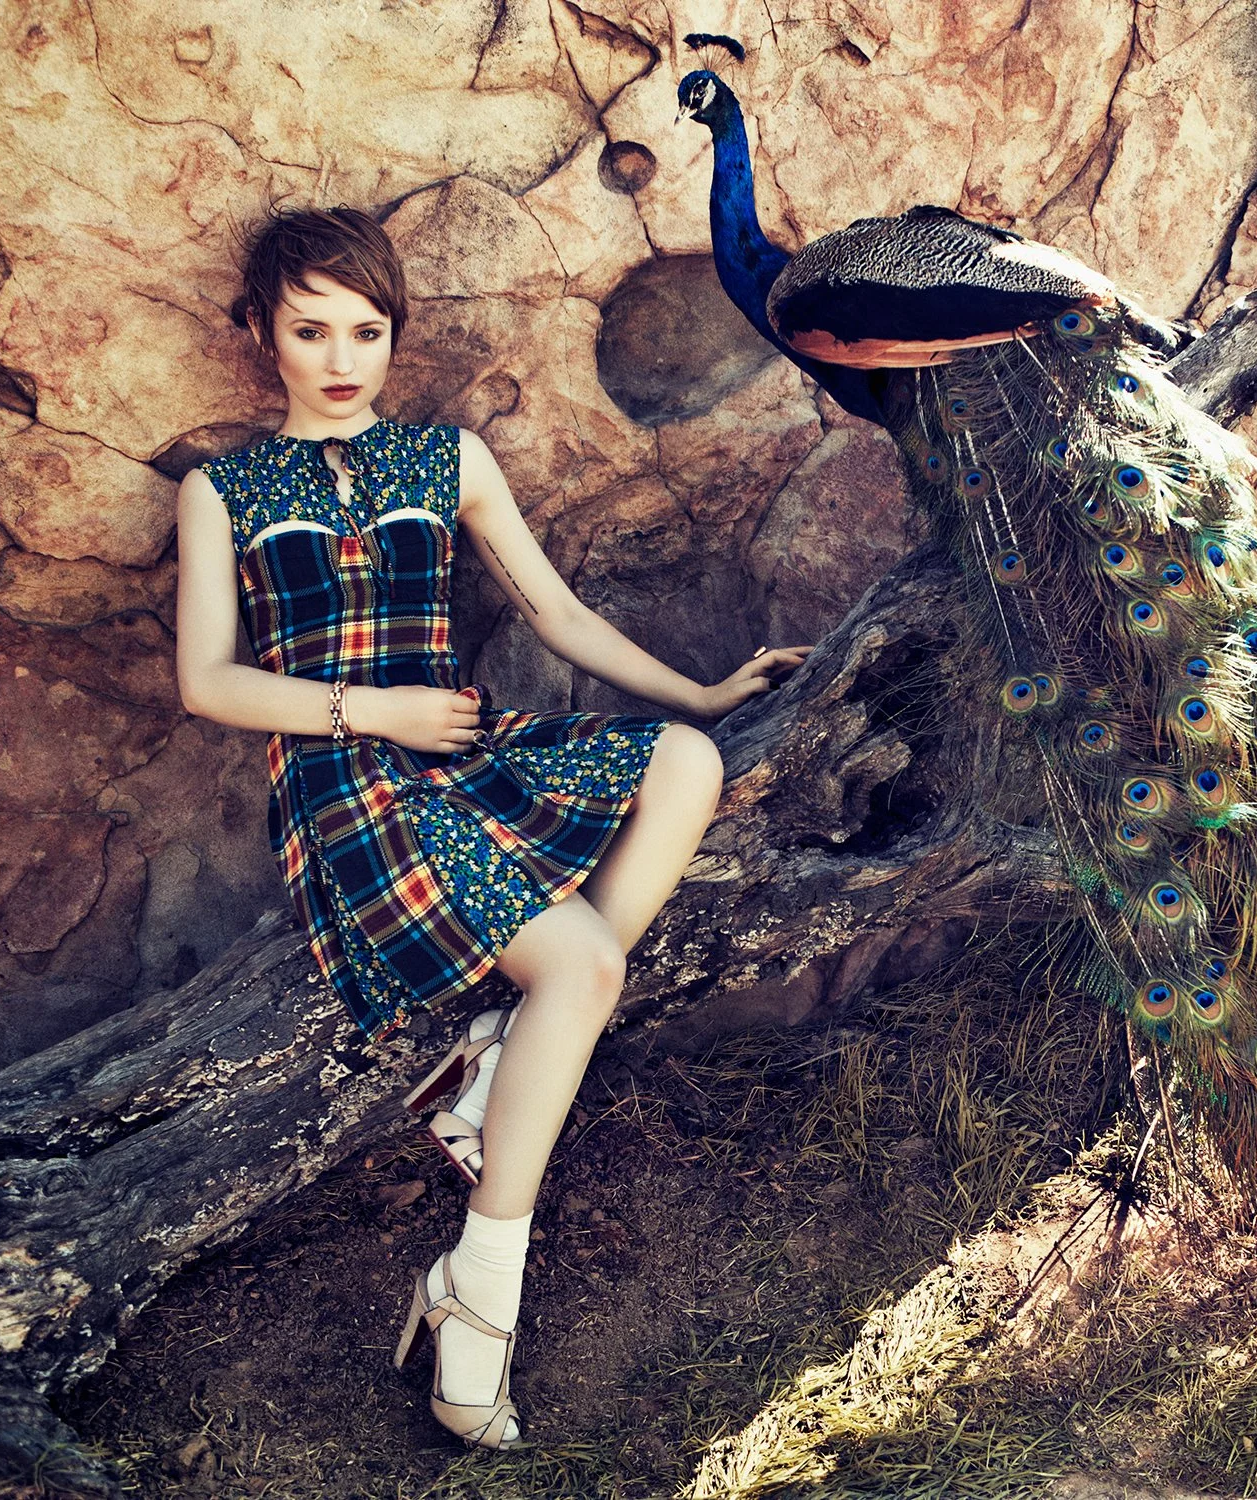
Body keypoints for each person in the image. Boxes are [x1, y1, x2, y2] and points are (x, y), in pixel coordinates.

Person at [172, 206, 810, 1449]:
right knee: (585, 958)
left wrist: (705, 694)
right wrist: (375, 712)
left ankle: (496, 1053)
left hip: (461, 754)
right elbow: (208, 679)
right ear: (261, 336)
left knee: (681, 764)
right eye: (312, 330)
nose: (343, 356)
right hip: (345, 790)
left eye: (367, 328)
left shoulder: (445, 459)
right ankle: (480, 1292)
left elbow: (561, 617)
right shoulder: (224, 489)